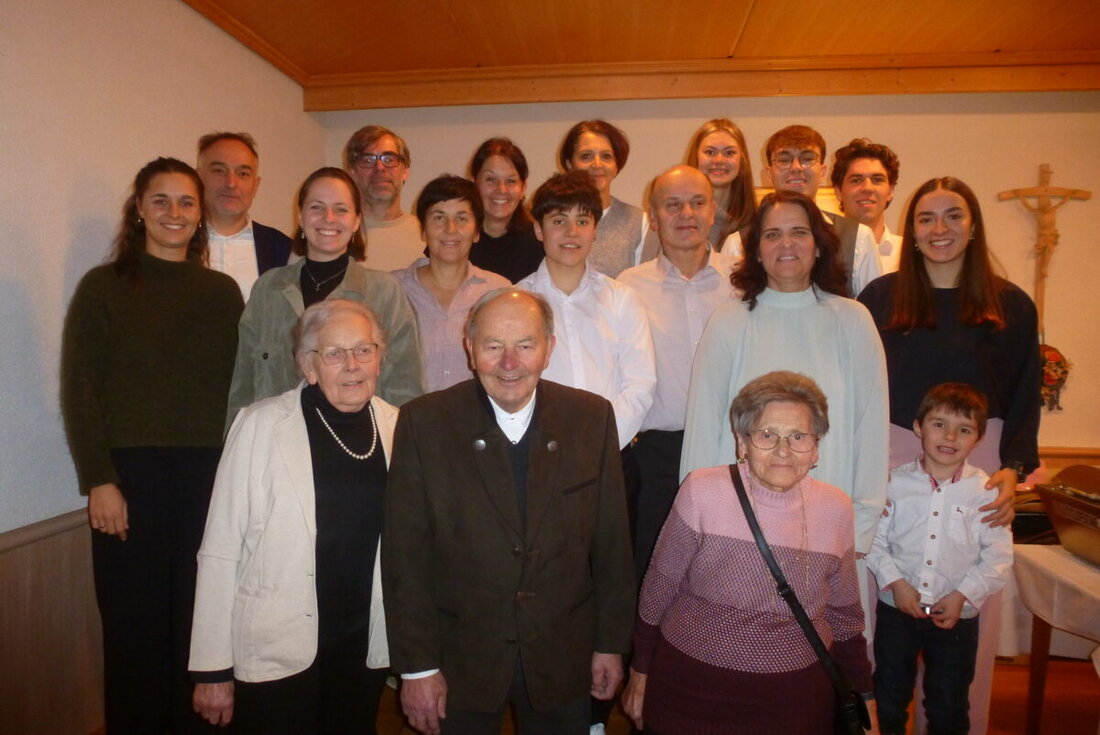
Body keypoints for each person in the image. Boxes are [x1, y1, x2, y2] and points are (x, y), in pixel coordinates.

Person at [382, 288, 635, 735]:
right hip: (460, 661)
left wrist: (610, 643)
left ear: (549, 349)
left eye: (525, 345)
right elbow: (405, 557)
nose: (509, 362)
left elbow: (612, 544)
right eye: (493, 346)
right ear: (469, 347)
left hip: (564, 655)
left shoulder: (591, 418)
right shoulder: (425, 423)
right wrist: (418, 667)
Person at [60, 157, 244, 734]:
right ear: (139, 209)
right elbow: (79, 389)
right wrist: (99, 479)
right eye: (160, 200)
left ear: (200, 214)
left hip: (208, 479)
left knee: (200, 627)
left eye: (186, 202)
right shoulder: (103, 287)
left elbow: (240, 389)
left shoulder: (222, 293)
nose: (174, 212)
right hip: (128, 483)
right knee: (133, 633)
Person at [857, 176, 1036, 733]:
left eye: (953, 215)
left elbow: (1026, 392)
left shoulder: (1011, 304)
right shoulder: (880, 299)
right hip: (891, 454)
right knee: (886, 609)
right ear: (910, 231)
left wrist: (1012, 469)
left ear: (973, 225)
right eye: (926, 218)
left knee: (963, 621)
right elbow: (858, 387)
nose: (940, 229)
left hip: (978, 462)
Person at [623, 371, 874, 734]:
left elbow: (845, 616)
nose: (783, 450)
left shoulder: (835, 509)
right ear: (742, 443)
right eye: (767, 435)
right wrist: (639, 671)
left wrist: (866, 696)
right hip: (690, 694)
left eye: (798, 437)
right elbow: (658, 590)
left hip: (795, 705)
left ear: (816, 448)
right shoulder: (702, 491)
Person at [190, 300, 398, 735]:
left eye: (364, 350)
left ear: (380, 358)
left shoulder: (400, 427)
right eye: (334, 353)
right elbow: (220, 550)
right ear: (308, 365)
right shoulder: (259, 426)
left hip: (363, 643)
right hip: (276, 645)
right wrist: (212, 667)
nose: (353, 365)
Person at [681, 190, 889, 556]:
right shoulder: (728, 322)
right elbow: (703, 429)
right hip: (737, 522)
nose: (786, 243)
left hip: (830, 520)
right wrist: (698, 520)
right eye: (772, 234)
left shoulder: (853, 321)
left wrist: (861, 525)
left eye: (799, 232)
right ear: (757, 251)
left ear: (819, 246)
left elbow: (870, 428)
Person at [225, 167, 424, 426]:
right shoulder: (268, 289)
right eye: (317, 207)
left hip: (358, 441)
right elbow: (243, 386)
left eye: (341, 209)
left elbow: (405, 389)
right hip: (274, 440)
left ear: (356, 221)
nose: (328, 218)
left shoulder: (384, 292)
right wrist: (235, 439)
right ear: (300, 217)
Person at [868, 383, 1013, 735]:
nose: (950, 437)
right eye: (939, 424)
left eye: (964, 429)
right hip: (897, 611)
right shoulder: (893, 484)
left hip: (957, 617)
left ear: (978, 439)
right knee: (889, 697)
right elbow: (873, 539)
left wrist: (963, 594)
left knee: (948, 704)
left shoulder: (986, 493)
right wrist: (896, 583)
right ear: (918, 427)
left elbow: (998, 556)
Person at [617, 165, 736, 584]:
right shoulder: (627, 288)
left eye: (697, 202)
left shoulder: (742, 281)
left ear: (713, 211)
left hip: (732, 450)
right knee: (654, 576)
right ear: (653, 217)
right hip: (657, 457)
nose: (686, 213)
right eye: (673, 205)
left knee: (725, 574)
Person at [519, 170, 656, 452]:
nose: (572, 232)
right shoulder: (517, 302)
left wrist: (600, 442)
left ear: (595, 230)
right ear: (538, 230)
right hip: (537, 451)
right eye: (559, 221)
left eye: (582, 221)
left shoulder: (622, 299)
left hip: (610, 449)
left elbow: (640, 385)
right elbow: (510, 383)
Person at [394, 174, 509, 391]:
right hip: (408, 411)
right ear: (423, 229)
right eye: (439, 217)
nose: (450, 229)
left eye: (462, 218)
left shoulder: (498, 291)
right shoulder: (393, 289)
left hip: (478, 412)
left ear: (477, 232)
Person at [743, 124, 881, 295]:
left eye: (807, 159)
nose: (796, 167)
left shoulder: (859, 237)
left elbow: (874, 307)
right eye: (784, 160)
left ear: (823, 172)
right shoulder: (738, 241)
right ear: (769, 174)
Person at [196, 132, 292, 299]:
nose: (231, 183)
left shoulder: (283, 249)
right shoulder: (174, 242)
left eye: (243, 174)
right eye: (219, 171)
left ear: (256, 186)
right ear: (197, 178)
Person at [559, 119, 647, 277]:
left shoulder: (640, 222)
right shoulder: (550, 219)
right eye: (586, 156)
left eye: (606, 156)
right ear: (569, 164)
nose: (597, 164)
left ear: (616, 166)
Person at [344, 125, 425, 271]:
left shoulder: (430, 235)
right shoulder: (335, 232)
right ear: (352, 172)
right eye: (368, 160)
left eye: (389, 159)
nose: (380, 167)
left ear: (405, 172)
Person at [468, 137, 545, 283]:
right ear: (475, 183)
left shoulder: (539, 243)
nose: (501, 189)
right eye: (490, 179)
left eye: (511, 181)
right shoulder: (456, 238)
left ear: (523, 188)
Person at [831, 138, 902, 273]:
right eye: (856, 180)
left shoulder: (907, 254)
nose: (867, 188)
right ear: (838, 191)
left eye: (877, 180)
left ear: (890, 191)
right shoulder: (823, 253)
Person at [685, 118, 757, 250]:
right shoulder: (675, 220)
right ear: (696, 157)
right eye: (709, 152)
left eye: (729, 153)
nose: (719, 160)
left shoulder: (758, 225)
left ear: (742, 160)